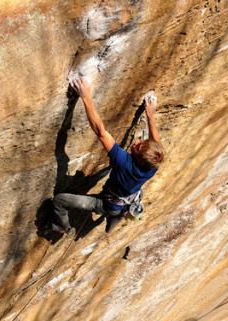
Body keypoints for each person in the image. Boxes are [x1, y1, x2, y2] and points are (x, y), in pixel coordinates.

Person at [51, 78, 165, 235]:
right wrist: (150, 115)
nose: (137, 141)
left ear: (137, 158)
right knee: (116, 210)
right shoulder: (153, 165)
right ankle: (114, 220)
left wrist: (85, 96)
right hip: (127, 200)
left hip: (105, 204)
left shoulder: (124, 162)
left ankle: (65, 228)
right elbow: (156, 142)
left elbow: (100, 131)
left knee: (59, 200)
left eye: (137, 146)